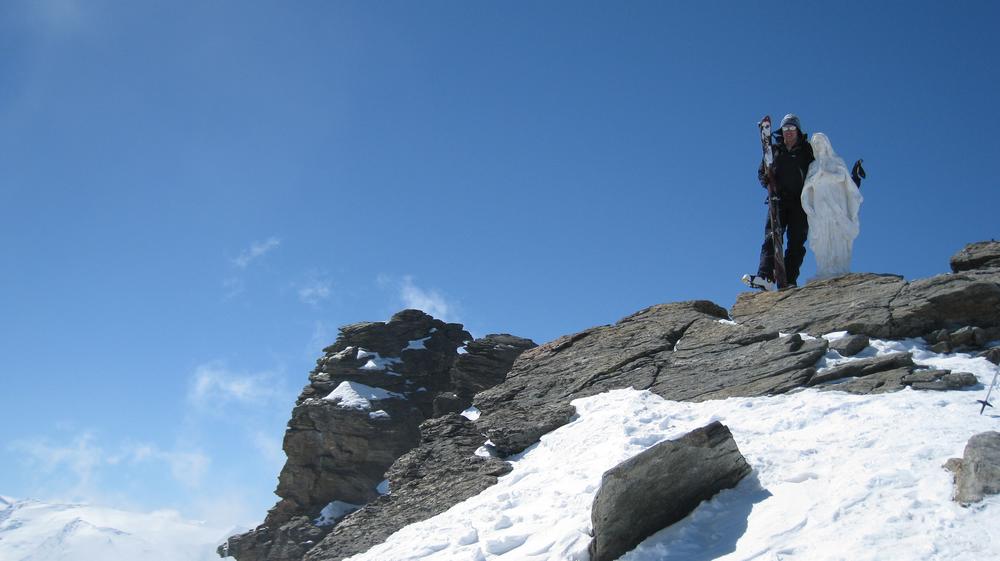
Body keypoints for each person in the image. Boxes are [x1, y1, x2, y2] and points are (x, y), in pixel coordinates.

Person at [743, 113, 815, 291]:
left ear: (798, 131)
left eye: (792, 129)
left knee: (797, 242)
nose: (788, 132)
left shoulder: (807, 152)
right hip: (778, 200)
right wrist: (767, 180)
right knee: (772, 238)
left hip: (800, 202)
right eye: (785, 129)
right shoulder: (774, 151)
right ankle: (765, 276)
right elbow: (762, 172)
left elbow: (818, 172)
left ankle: (789, 279)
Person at [800, 133, 863, 279]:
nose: (818, 145)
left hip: (837, 203)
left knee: (837, 232)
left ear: (827, 144)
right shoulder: (813, 166)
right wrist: (817, 177)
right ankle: (825, 268)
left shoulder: (837, 162)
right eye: (815, 144)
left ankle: (840, 266)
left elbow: (843, 178)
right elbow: (807, 187)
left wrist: (826, 174)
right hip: (821, 203)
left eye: (820, 142)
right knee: (823, 233)